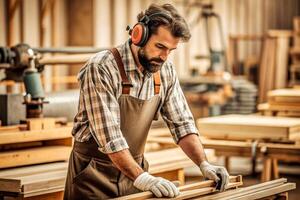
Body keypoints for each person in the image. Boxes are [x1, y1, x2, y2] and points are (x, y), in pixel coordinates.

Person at [64, 3, 229, 200]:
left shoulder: (165, 71)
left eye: (171, 50)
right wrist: (144, 179)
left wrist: (204, 164)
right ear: (138, 35)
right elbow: (110, 138)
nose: (164, 57)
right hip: (92, 175)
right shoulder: (101, 68)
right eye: (160, 47)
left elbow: (182, 124)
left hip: (134, 172)